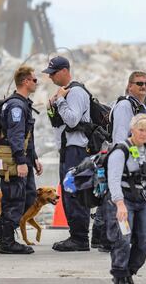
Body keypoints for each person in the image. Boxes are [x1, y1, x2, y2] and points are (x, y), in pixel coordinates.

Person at [92, 71, 146, 252]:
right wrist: (126, 160)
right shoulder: (126, 106)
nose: (143, 87)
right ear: (129, 86)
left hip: (136, 162)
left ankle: (101, 238)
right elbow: (120, 136)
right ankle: (104, 240)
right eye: (139, 83)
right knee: (114, 198)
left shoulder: (141, 107)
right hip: (123, 160)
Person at [0, 66, 42, 254]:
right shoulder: (16, 106)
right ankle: (7, 241)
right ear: (25, 81)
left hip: (23, 156)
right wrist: (20, 161)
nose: (36, 83)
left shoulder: (23, 103)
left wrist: (33, 158)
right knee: (15, 198)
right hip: (13, 158)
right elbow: (16, 134)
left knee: (29, 196)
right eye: (34, 80)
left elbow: (27, 135)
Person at [43, 56, 91, 252]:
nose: (51, 77)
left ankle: (80, 238)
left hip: (76, 152)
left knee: (75, 193)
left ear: (64, 71)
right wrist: (52, 107)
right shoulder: (66, 93)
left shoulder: (76, 92)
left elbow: (72, 121)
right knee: (69, 193)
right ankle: (76, 235)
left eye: (53, 73)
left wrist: (61, 99)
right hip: (68, 151)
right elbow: (60, 123)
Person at [105, 114, 146, 284]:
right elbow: (114, 179)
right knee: (123, 240)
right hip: (122, 201)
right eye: (141, 130)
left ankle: (129, 271)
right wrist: (119, 204)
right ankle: (119, 275)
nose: (144, 134)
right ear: (132, 130)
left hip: (142, 200)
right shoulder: (120, 151)